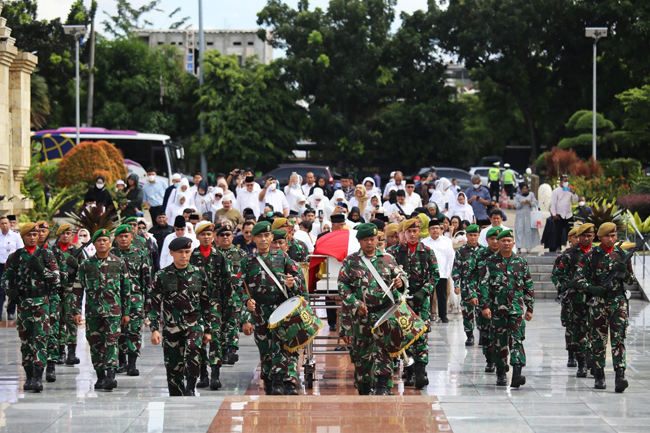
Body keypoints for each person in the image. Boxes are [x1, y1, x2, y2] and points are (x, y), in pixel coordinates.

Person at [337, 223, 407, 395]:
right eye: (365, 240)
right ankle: (365, 386)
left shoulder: (388, 259)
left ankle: (383, 386)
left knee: (385, 350)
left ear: (378, 239)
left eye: (372, 239)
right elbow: (342, 286)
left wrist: (401, 282)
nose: (369, 243)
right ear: (359, 241)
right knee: (362, 354)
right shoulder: (351, 262)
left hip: (384, 313)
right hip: (362, 316)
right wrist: (355, 303)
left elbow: (401, 276)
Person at [239, 221, 306, 395]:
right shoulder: (247, 261)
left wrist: (293, 282)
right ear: (253, 238)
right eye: (259, 236)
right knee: (265, 346)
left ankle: (287, 380)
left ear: (271, 237)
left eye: (266, 235)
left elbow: (298, 277)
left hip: (281, 307)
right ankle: (269, 379)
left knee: (284, 344)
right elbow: (239, 287)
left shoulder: (281, 257)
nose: (263, 239)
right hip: (260, 310)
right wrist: (247, 305)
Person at [149, 236, 217, 396]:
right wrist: (154, 329)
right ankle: (176, 393)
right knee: (173, 365)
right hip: (171, 327)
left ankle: (191, 386)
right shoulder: (162, 276)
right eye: (180, 252)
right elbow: (154, 304)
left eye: (187, 252)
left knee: (193, 351)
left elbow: (206, 303)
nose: (184, 256)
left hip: (194, 324)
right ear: (171, 253)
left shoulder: (199, 274)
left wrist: (208, 329)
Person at [574, 222, 637, 393]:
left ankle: (620, 375)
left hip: (618, 302)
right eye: (607, 236)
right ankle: (600, 374)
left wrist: (625, 272)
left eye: (613, 235)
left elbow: (631, 282)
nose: (611, 239)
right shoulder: (591, 256)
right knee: (598, 341)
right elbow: (578, 279)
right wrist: (591, 288)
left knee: (619, 339)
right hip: (599, 303)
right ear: (600, 237)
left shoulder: (621, 255)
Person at [1, 222, 60, 392]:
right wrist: (9, 290)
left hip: (42, 303)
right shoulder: (16, 256)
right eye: (29, 235)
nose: (33, 237)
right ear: (23, 237)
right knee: (26, 341)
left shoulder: (47, 255)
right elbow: (5, 277)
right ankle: (28, 376)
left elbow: (56, 279)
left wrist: (41, 269)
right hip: (24, 304)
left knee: (40, 340)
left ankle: (38, 376)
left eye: (35, 235)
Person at [72, 229, 131, 391]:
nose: (102, 243)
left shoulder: (118, 263)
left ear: (110, 243)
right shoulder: (86, 265)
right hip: (93, 312)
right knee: (95, 344)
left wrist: (126, 312)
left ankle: (111, 375)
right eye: (99, 240)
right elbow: (77, 289)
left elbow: (126, 289)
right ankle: (100, 376)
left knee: (111, 342)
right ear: (94, 243)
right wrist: (76, 311)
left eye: (105, 240)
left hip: (113, 312)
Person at [387, 218, 439, 389]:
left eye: (414, 231)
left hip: (421, 299)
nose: (411, 234)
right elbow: (387, 275)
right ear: (403, 233)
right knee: (405, 333)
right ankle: (409, 371)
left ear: (419, 232)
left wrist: (424, 291)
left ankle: (421, 371)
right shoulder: (393, 252)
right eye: (408, 232)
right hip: (401, 301)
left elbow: (435, 275)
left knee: (421, 333)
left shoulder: (428, 251)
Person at [478, 229, 534, 388]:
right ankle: (501, 372)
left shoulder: (521, 262)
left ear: (513, 243)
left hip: (516, 310)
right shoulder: (490, 262)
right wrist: (485, 306)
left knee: (517, 340)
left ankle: (517, 373)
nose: (506, 243)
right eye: (503, 241)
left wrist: (530, 307)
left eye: (509, 241)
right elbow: (483, 286)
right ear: (499, 243)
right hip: (497, 311)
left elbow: (528, 285)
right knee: (499, 342)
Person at [190, 222, 230, 390]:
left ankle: (215, 374)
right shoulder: (192, 256)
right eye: (203, 234)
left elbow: (227, 282)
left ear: (213, 236)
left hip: (215, 303)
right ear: (198, 237)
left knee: (215, 338)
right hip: (197, 304)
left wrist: (227, 306)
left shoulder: (219, 256)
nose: (206, 237)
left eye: (209, 234)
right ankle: (203, 374)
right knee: (198, 339)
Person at [552, 224, 594, 377]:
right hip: (574, 300)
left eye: (588, 235)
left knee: (594, 331)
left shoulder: (597, 254)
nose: (582, 238)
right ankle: (580, 361)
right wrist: (566, 285)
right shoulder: (568, 255)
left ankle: (593, 361)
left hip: (594, 298)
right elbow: (556, 275)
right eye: (579, 236)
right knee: (576, 330)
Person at [110, 224, 152, 377]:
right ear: (116, 238)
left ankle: (132, 363)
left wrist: (148, 300)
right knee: (118, 332)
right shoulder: (111, 254)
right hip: (116, 300)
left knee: (134, 331)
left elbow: (146, 278)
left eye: (126, 236)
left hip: (135, 298)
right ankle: (121, 362)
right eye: (120, 236)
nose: (123, 239)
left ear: (131, 237)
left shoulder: (140, 254)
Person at [49, 224, 81, 367]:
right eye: (63, 233)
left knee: (71, 321)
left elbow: (84, 269)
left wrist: (76, 266)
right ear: (58, 234)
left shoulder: (76, 250)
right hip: (56, 289)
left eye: (69, 233)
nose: (66, 235)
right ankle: (60, 351)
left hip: (71, 289)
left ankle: (72, 353)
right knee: (58, 321)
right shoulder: (51, 250)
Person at [215, 224, 247, 366]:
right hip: (218, 296)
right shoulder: (213, 254)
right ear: (217, 237)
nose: (225, 237)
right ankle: (223, 351)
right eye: (222, 235)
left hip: (235, 295)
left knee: (233, 322)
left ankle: (232, 350)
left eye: (228, 234)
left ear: (232, 236)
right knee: (221, 324)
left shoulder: (241, 254)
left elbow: (246, 277)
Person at [551, 227, 580, 368]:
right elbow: (555, 276)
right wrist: (564, 286)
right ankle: (571, 354)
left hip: (587, 297)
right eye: (575, 237)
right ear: (569, 239)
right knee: (571, 327)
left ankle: (586, 356)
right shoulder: (564, 256)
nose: (578, 239)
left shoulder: (591, 255)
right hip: (571, 298)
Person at [452, 224, 483, 347]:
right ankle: (469, 336)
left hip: (481, 287)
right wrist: (456, 284)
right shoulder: (461, 251)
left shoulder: (483, 251)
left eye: (475, 235)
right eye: (470, 235)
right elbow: (456, 269)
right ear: (467, 236)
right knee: (467, 312)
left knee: (481, 312)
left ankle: (482, 335)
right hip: (465, 287)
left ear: (479, 236)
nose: (473, 237)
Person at [422, 219, 455, 323]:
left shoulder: (447, 241)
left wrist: (450, 270)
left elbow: (451, 256)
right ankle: (430, 314)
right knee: (429, 294)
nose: (435, 230)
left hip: (442, 272)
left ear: (441, 229)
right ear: (429, 230)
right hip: (429, 273)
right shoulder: (424, 242)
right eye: (432, 228)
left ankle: (443, 316)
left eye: (437, 228)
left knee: (442, 295)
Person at [0, 215, 23, 320]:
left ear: (9, 224)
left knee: (12, 288)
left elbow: (20, 250)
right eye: (2, 223)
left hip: (12, 266)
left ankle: (11, 311)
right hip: (0, 265)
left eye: (6, 223)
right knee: (0, 290)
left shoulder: (16, 236)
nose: (4, 225)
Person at [550, 174, 578, 252]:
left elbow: (576, 200)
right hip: (559, 215)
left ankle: (571, 246)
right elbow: (553, 203)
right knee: (558, 232)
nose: (566, 182)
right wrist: (554, 214)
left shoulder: (569, 190)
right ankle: (558, 247)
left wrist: (573, 192)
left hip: (568, 214)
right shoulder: (556, 191)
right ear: (561, 182)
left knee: (571, 232)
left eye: (567, 181)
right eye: (564, 181)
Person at [514, 184, 540, 252]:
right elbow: (516, 206)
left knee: (528, 231)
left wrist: (529, 203)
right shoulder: (517, 196)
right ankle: (519, 247)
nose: (525, 190)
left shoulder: (531, 194)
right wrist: (521, 202)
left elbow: (535, 203)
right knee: (519, 230)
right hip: (520, 215)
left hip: (529, 214)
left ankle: (528, 247)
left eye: (526, 188)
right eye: (523, 189)